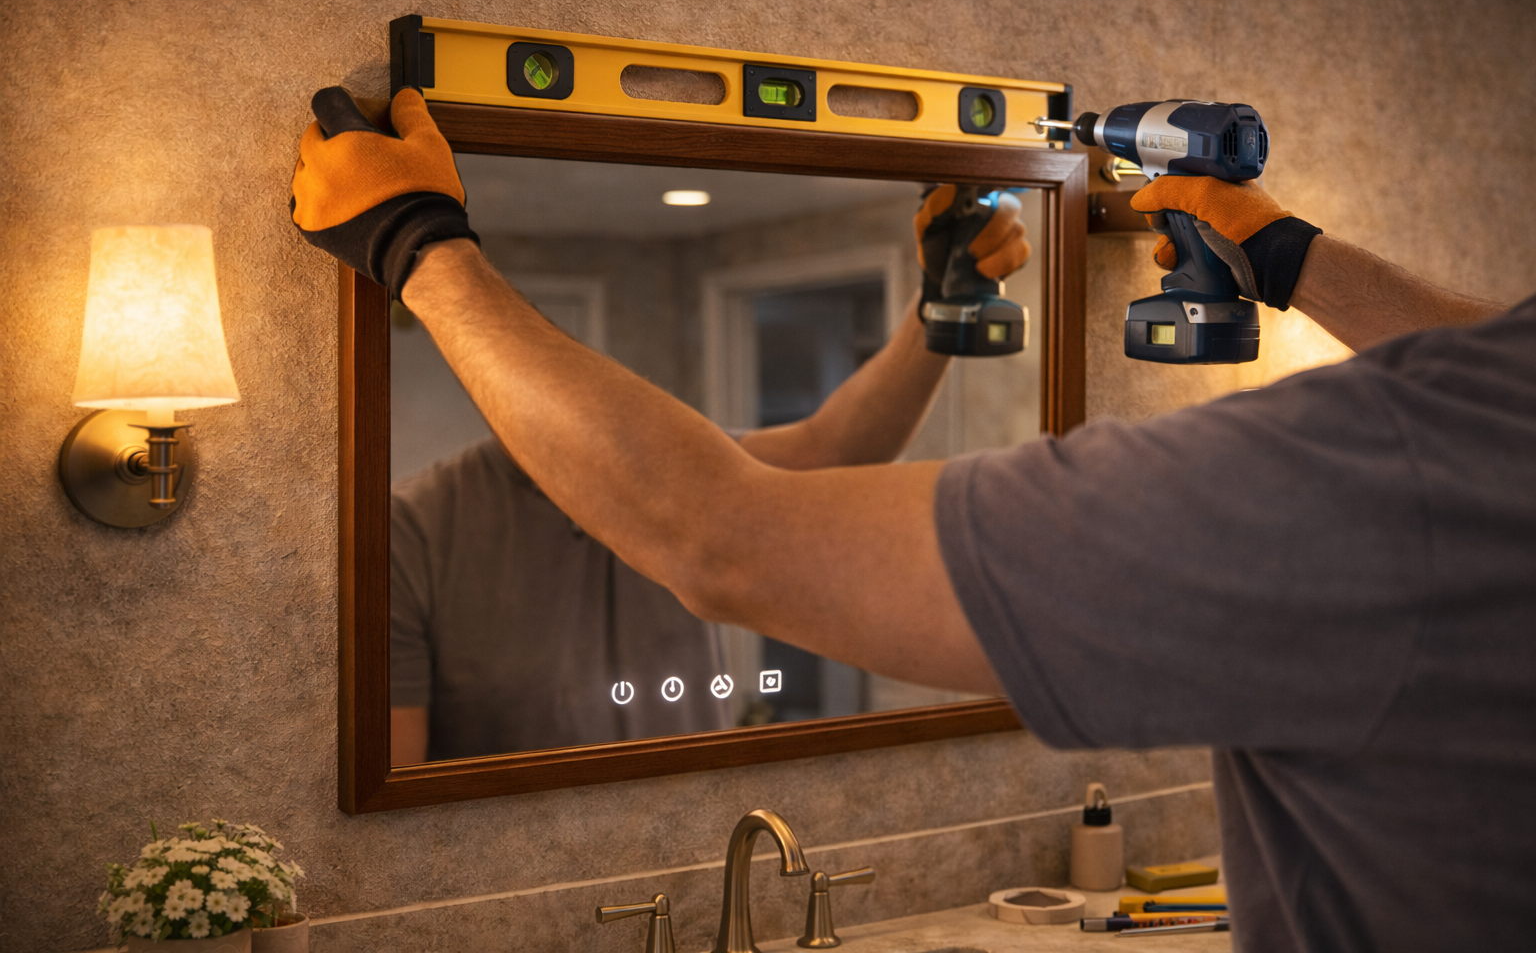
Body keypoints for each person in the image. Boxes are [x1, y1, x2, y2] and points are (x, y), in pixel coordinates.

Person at [293, 88, 1533, 952]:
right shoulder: (417, 531)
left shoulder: (1368, 483)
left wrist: (416, 246)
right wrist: (1295, 256)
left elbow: (732, 523)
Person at [389, 279, 1022, 763]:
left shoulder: (673, 484)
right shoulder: (413, 529)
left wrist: (938, 302)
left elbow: (835, 449)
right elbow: (398, 784)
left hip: (698, 833)